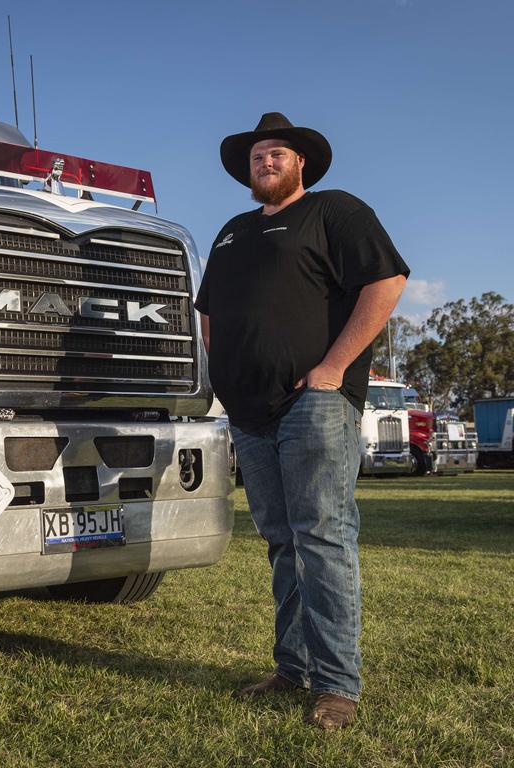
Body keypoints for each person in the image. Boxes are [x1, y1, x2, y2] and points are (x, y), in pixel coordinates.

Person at [196, 112, 409, 730]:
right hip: (248, 411)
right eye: (258, 155)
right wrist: (223, 376)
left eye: (278, 154)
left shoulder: (334, 212)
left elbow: (388, 281)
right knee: (282, 542)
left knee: (322, 536)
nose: (265, 161)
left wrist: (333, 366)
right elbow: (210, 310)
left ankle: (338, 685)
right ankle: (292, 670)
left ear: (301, 165)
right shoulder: (233, 232)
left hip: (312, 404)